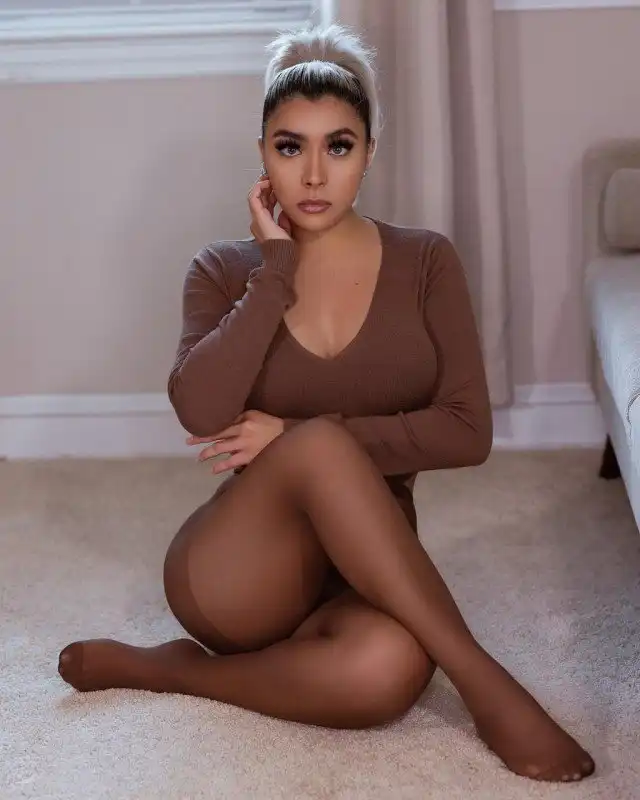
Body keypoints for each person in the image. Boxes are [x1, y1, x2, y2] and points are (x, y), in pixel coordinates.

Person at [58, 24, 595, 784]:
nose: (313, 174)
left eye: (338, 147)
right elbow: (200, 410)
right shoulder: (223, 269)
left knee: (386, 674)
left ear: (369, 153)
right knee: (312, 446)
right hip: (241, 573)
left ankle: (174, 671)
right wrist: (273, 272)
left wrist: (296, 433)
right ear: (262, 154)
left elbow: (467, 431)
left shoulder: (426, 261)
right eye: (290, 147)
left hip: (364, 574)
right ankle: (484, 681)